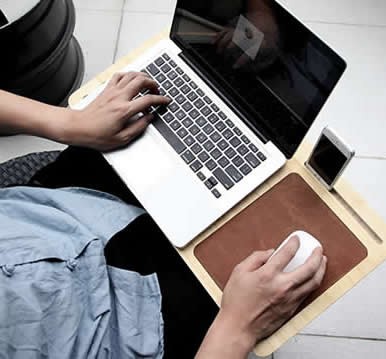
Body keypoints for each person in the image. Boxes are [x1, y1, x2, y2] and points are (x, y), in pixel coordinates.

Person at [0, 72, 327, 359]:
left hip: (51, 208)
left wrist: (67, 122)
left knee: (195, 111)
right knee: (283, 236)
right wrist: (237, 328)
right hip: (136, 325)